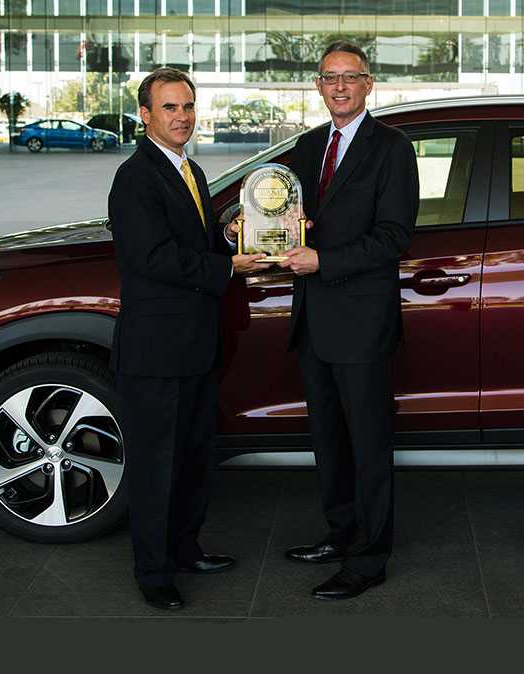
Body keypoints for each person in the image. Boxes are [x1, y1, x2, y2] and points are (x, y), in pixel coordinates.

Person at [108, 67, 265, 610]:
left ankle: (185, 548)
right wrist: (228, 267)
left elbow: (195, 242)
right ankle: (154, 574)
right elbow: (151, 258)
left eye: (188, 107)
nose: (182, 117)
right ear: (145, 116)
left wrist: (233, 238)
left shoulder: (189, 170)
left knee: (194, 458)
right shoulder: (135, 178)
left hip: (195, 345)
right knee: (156, 467)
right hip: (156, 352)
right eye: (170, 108)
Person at [278, 41, 420, 600]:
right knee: (328, 440)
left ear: (369, 84)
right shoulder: (309, 146)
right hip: (313, 318)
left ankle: (369, 558)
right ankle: (340, 534)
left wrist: (324, 260)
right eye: (329, 77)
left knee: (368, 443)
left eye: (350, 77)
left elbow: (394, 237)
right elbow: (289, 215)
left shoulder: (393, 148)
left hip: (360, 321)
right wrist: (256, 224)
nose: (339, 86)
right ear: (318, 86)